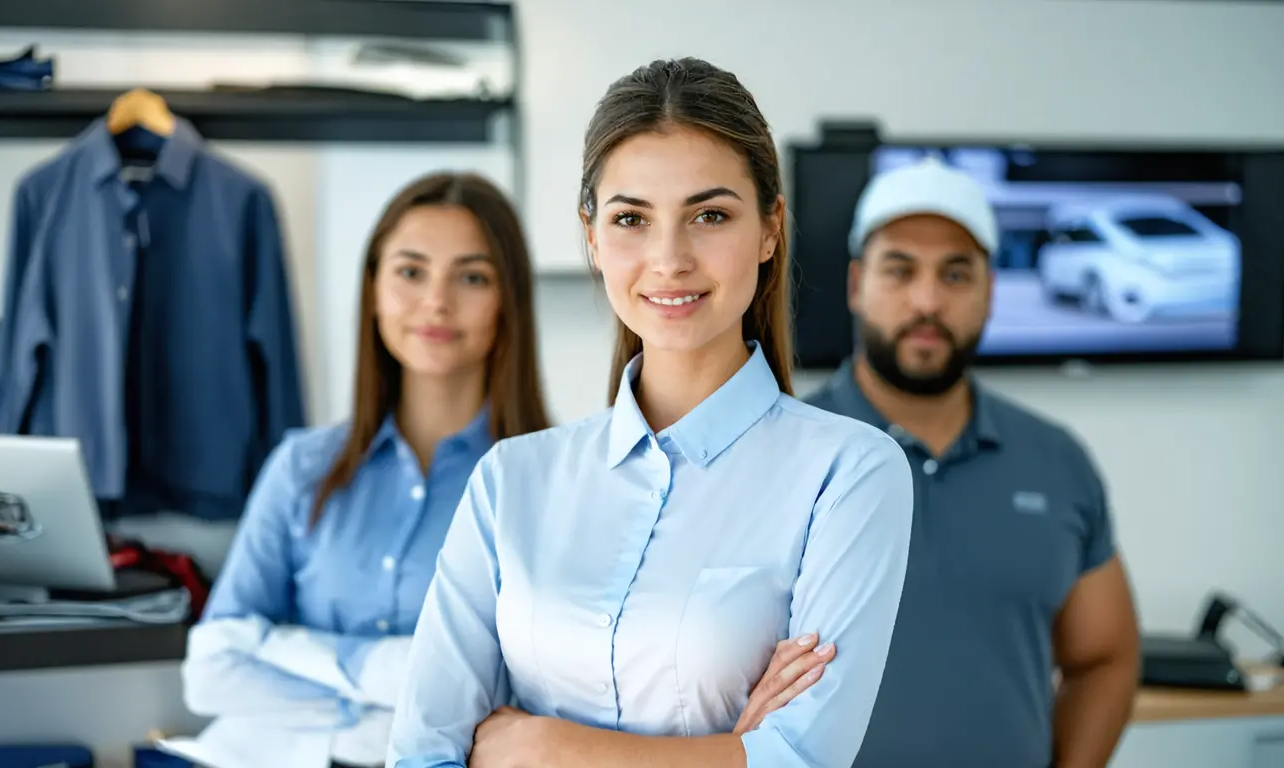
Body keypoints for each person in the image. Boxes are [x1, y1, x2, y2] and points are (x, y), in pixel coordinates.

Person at [386, 57, 915, 768]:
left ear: (769, 229)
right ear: (594, 238)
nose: (669, 259)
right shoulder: (512, 480)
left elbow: (802, 760)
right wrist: (728, 752)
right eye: (632, 218)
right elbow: (423, 753)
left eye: (710, 215)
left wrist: (539, 747)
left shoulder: (848, 473)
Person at [178, 172, 553, 768]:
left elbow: (534, 695)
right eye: (410, 271)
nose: (436, 301)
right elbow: (214, 672)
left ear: (509, 299)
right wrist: (390, 701)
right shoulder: (301, 469)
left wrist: (295, 654)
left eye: (472, 277)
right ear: (374, 287)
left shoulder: (552, 482)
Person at [804, 156, 1141, 768]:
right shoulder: (782, 453)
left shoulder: (1056, 462)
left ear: (990, 290)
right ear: (858, 285)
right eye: (900, 271)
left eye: (956, 275)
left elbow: (1104, 657)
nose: (927, 301)